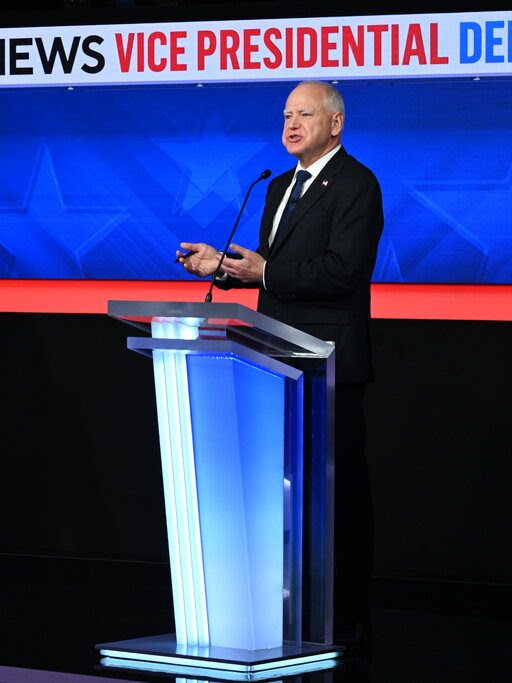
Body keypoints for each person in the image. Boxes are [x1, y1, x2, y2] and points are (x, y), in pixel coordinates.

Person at [177, 80, 383, 646]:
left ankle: (347, 615)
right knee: (289, 492)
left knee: (338, 495)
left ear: (335, 124)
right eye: (286, 115)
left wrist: (261, 272)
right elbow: (274, 272)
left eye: (304, 114)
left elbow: (343, 270)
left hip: (331, 363)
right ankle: (292, 607)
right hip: (279, 358)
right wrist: (222, 266)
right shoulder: (278, 188)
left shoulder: (357, 185)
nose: (290, 125)